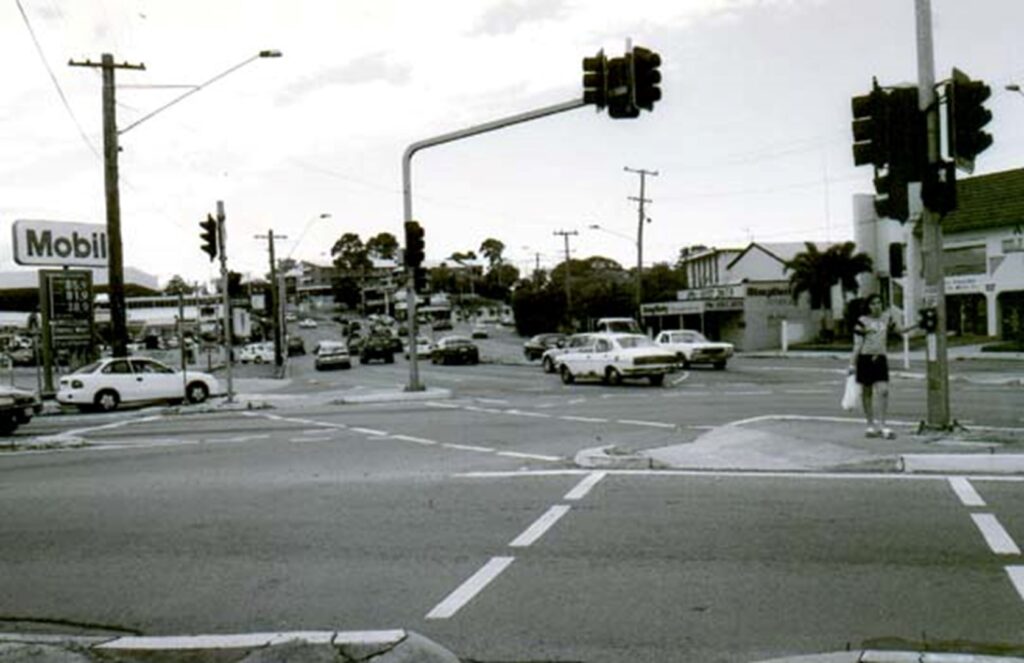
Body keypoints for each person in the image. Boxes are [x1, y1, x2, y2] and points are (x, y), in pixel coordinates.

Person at [849, 294, 915, 439]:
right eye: (873, 304)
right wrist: (852, 364)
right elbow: (857, 345)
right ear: (868, 306)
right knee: (867, 393)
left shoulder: (886, 318)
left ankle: (883, 424)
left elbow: (900, 330)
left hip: (880, 359)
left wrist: (918, 324)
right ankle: (870, 424)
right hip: (865, 359)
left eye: (878, 303)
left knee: (883, 391)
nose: (876, 306)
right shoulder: (862, 321)